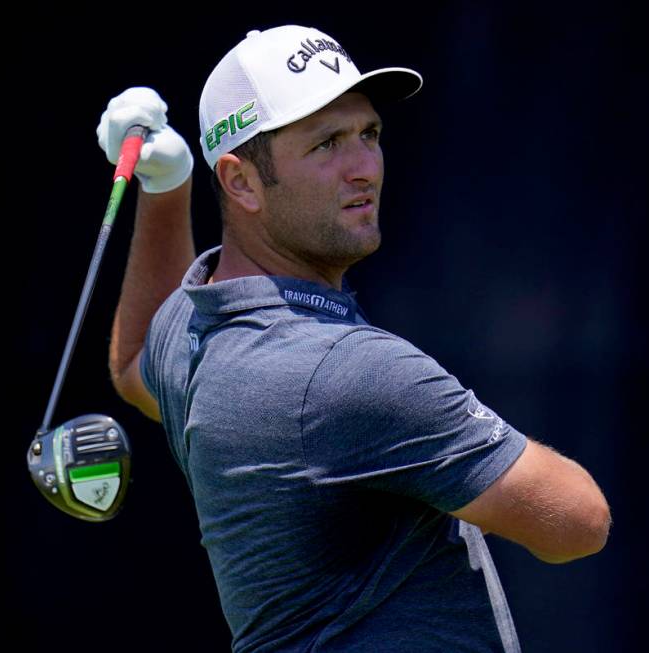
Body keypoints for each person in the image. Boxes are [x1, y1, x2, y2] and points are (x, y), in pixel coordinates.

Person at [100, 25, 611, 652]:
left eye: (369, 134)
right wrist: (441, 418)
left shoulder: (198, 328)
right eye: (327, 144)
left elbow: (132, 363)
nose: (364, 167)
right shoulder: (350, 372)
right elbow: (578, 524)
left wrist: (166, 186)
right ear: (241, 183)